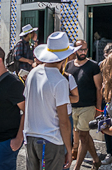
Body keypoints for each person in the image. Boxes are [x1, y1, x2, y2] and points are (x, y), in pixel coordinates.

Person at [24, 32, 78, 170]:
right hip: (50, 140)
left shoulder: (33, 73)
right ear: (65, 58)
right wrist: (68, 148)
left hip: (30, 137)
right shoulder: (60, 81)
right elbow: (64, 121)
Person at [65, 40, 103, 170]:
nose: (83, 52)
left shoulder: (93, 66)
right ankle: (96, 160)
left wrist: (98, 109)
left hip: (88, 106)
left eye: (85, 49)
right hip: (72, 107)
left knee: (82, 136)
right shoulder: (68, 66)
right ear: (75, 50)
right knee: (85, 136)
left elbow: (99, 88)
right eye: (80, 49)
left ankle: (77, 167)